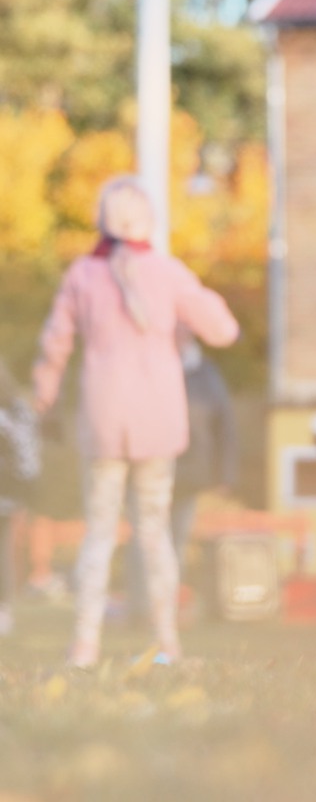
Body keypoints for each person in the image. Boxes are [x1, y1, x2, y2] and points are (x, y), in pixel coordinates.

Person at [33, 177, 240, 667]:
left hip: (102, 420)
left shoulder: (83, 275)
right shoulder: (168, 273)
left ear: (101, 221)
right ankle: (169, 642)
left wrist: (46, 392)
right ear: (148, 222)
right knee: (155, 531)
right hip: (158, 423)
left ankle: (84, 644)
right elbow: (224, 330)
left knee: (99, 531)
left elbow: (54, 343)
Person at [126, 332, 237, 627]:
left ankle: (165, 610)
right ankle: (140, 609)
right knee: (143, 541)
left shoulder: (206, 373)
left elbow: (224, 423)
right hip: (147, 468)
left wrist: (224, 474)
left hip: (189, 475)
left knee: (175, 544)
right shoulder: (144, 365)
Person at [0, 364, 43, 637]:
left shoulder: (16, 413)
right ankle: (4, 610)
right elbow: (30, 464)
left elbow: (27, 462)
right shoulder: (19, 411)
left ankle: (3, 610)